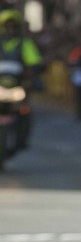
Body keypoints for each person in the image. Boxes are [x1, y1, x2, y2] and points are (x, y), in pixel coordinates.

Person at [0, 9, 42, 152]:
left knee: (25, 111)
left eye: (13, 26)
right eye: (7, 26)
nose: (10, 30)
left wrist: (34, 75)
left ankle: (23, 138)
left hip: (18, 85)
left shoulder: (25, 43)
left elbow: (34, 62)